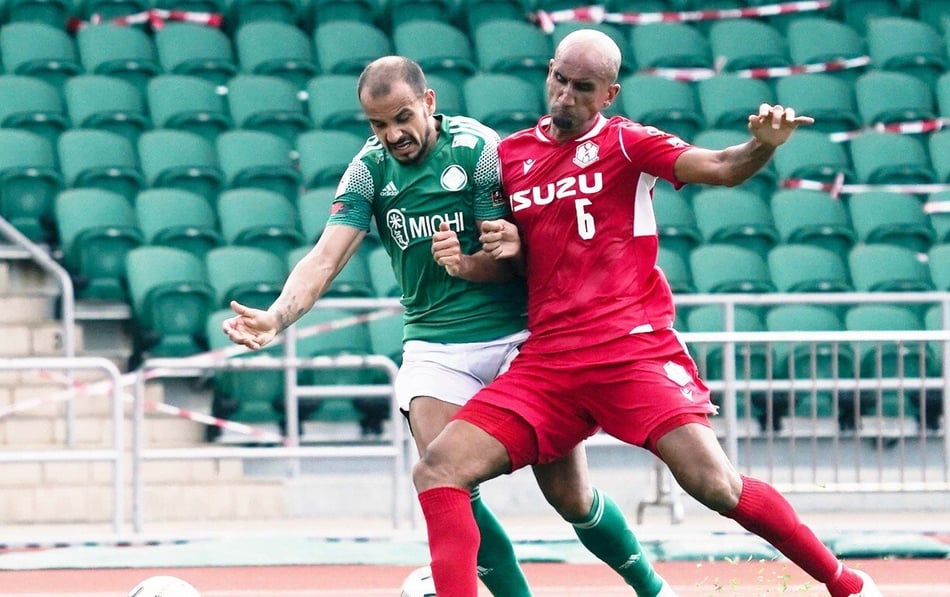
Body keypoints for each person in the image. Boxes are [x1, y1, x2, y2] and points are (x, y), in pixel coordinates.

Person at [418, 29, 882, 597]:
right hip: (548, 363)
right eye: (558, 80)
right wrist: (490, 258)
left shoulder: (629, 144)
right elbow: (512, 264)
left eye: (582, 87)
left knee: (715, 486)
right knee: (439, 469)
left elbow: (722, 166)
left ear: (608, 94)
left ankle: (845, 584)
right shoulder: (508, 156)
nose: (565, 95)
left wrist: (763, 145)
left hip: (630, 351)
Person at [222, 55, 677, 597]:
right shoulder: (368, 170)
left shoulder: (480, 151)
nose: (392, 134)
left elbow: (515, 253)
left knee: (570, 498)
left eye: (401, 117)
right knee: (445, 478)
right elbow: (325, 258)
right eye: (378, 124)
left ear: (429, 103)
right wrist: (277, 316)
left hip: (518, 341)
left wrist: (482, 256)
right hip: (436, 347)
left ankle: (653, 590)